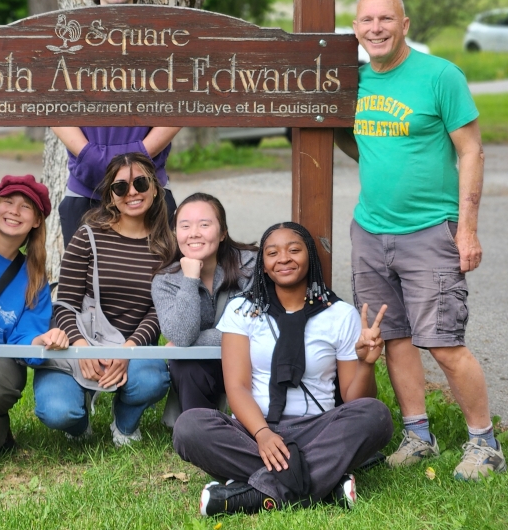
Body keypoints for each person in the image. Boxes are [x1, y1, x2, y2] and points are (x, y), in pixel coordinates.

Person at [335, 0, 505, 480]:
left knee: (444, 341)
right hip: (369, 230)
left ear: (404, 25)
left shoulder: (440, 77)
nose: (376, 29)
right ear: (356, 29)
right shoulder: (357, 82)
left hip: (430, 230)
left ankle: (484, 443)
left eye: (386, 19)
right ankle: (418, 436)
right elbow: (356, 141)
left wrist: (466, 230)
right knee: (395, 337)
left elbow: (471, 152)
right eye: (367, 21)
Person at [173, 222, 394, 515]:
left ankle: (249, 495)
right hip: (252, 430)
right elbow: (236, 386)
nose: (284, 259)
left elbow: (355, 400)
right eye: (272, 252)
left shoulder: (340, 315)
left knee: (375, 416)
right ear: (263, 265)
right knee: (189, 427)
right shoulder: (242, 310)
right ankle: (324, 485)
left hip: (317, 429)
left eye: (294, 250)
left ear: (310, 257)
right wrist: (263, 434)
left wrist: (366, 365)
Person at [33, 152, 173, 446]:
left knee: (153, 379)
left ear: (155, 187)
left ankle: (124, 424)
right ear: (110, 196)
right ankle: (79, 420)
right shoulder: (88, 236)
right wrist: (82, 349)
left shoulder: (167, 245)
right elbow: (65, 303)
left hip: (131, 346)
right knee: (58, 412)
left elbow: (158, 313)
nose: (132, 192)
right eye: (121, 187)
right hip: (82, 341)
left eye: (141, 183)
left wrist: (128, 351)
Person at [52, 0, 181, 244]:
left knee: (155, 276)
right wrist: (87, 154)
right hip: (86, 187)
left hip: (147, 184)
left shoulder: (161, 37)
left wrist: (140, 156)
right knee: (86, 282)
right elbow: (52, 104)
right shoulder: (71, 39)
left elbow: (180, 105)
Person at [0, 175, 69, 454]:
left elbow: (25, 338)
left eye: (25, 207)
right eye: (7, 202)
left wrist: (44, 339)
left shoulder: (33, 278)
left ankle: (0, 444)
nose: (14, 211)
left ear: (36, 221)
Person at [151, 192, 258, 415]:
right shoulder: (165, 280)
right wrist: (190, 279)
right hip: (202, 370)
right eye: (185, 226)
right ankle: (198, 429)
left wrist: (192, 343)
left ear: (222, 234)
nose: (194, 234)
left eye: (204, 224)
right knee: (185, 364)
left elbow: (256, 330)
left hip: (250, 364)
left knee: (186, 353)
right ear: (175, 233)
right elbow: (181, 335)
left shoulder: (249, 265)